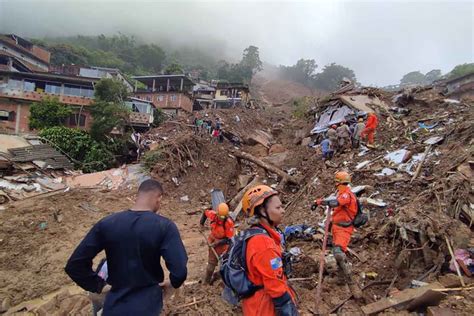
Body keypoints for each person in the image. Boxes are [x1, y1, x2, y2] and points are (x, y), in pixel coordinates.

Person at [65, 179, 188, 315]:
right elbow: (180, 270)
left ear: (138, 195)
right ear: (159, 198)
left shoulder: (107, 224)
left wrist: (99, 285)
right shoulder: (164, 226)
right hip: (148, 306)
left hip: (115, 306)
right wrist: (172, 284)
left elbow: (75, 265)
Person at [241, 185, 298, 316]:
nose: (283, 211)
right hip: (264, 308)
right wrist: (287, 308)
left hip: (258, 304)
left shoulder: (259, 234)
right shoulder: (263, 243)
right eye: (278, 208)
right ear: (261, 211)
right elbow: (275, 286)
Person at [314, 171, 362, 299]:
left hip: (344, 229)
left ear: (338, 182)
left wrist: (319, 202)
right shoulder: (340, 193)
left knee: (338, 253)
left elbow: (336, 203)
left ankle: (352, 283)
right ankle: (341, 279)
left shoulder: (347, 194)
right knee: (337, 253)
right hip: (336, 227)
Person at [199, 203, 235, 284]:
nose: (222, 218)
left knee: (225, 266)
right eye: (220, 216)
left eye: (224, 217)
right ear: (217, 213)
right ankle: (207, 282)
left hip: (223, 245)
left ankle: (219, 277)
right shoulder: (213, 215)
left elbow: (228, 239)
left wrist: (217, 243)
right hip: (212, 241)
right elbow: (205, 213)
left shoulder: (229, 223)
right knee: (210, 267)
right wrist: (201, 224)